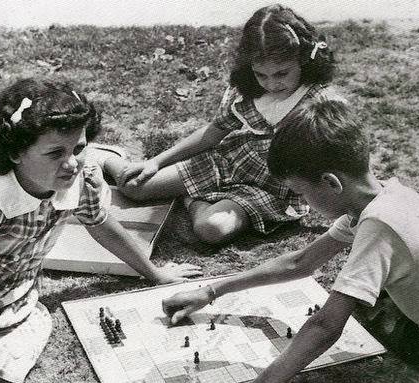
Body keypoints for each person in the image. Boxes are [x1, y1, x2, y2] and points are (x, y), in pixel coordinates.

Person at [162, 97, 419, 383]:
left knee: (372, 313)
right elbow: (300, 263)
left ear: (331, 183)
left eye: (301, 193)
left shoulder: (377, 226)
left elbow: (326, 326)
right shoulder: (388, 195)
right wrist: (211, 291)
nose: (303, 204)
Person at [0, 78, 202, 383]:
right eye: (54, 153)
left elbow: (101, 224)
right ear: (14, 153)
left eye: (78, 148)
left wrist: (155, 274)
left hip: (5, 294)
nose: (71, 163)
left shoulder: (80, 179)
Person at [104, 3, 341, 244]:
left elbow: (339, 158)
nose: (271, 84)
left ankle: (192, 199)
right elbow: (212, 133)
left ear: (304, 60)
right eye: (261, 74)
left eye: (282, 73)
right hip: (229, 162)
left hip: (274, 187)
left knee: (211, 229)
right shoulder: (246, 91)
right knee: (134, 187)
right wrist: (155, 161)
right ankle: (104, 157)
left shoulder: (320, 100)